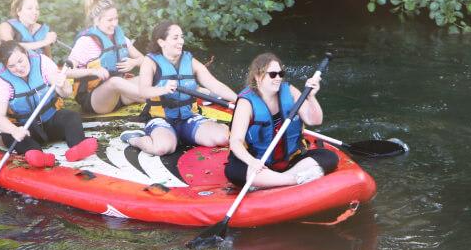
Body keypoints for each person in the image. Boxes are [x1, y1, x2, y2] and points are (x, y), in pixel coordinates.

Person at [121, 21, 237, 156]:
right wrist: (163, 89)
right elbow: (143, 91)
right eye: (175, 38)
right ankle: (135, 138)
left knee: (223, 138)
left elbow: (214, 84)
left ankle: (206, 130)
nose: (181, 41)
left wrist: (239, 99)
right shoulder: (150, 62)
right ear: (161, 42)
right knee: (161, 149)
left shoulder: (190, 60)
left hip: (188, 117)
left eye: (181, 37)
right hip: (161, 119)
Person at [224, 52, 339, 188]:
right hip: (259, 162)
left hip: (290, 160)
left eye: (281, 74)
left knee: (329, 157)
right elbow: (236, 141)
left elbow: (314, 120)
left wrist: (311, 97)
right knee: (234, 171)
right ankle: (293, 180)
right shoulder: (246, 102)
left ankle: (276, 180)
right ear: (258, 76)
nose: (278, 78)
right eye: (272, 74)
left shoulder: (289, 91)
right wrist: (253, 162)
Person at [0, 40, 98, 167]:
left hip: (50, 120)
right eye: (12, 66)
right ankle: (38, 156)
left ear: (26, 53)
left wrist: (62, 84)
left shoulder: (42, 62)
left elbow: (66, 93)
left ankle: (77, 148)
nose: (18, 68)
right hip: (26, 129)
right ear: (5, 66)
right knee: (8, 135)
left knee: (71, 117)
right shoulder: (3, 79)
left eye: (20, 61)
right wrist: (14, 130)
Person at [0, 0, 57, 120]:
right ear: (18, 11)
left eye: (37, 8)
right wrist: (44, 42)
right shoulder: (6, 27)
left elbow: (48, 59)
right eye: (29, 8)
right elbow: (10, 46)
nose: (35, 12)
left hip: (32, 83)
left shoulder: (43, 31)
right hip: (4, 80)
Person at [67, 0, 145, 114]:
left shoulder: (120, 38)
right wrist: (92, 71)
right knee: (115, 82)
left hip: (120, 96)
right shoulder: (85, 42)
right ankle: (154, 96)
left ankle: (151, 94)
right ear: (97, 21)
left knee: (148, 78)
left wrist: (134, 62)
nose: (115, 24)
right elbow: (66, 72)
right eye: (109, 20)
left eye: (116, 18)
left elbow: (145, 61)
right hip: (95, 99)